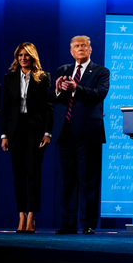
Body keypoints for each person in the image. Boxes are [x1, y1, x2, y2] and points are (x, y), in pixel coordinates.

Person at [50, 35, 110, 235]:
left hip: (88, 132)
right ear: (71, 51)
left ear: (90, 50)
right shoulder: (63, 71)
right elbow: (54, 99)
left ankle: (88, 224)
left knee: (88, 180)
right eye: (77, 46)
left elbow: (99, 94)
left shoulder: (101, 72)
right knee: (68, 181)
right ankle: (68, 223)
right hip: (65, 131)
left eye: (84, 45)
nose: (81, 48)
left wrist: (77, 89)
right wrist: (58, 90)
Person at [1, 42, 53, 233]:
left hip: (35, 130)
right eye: (20, 55)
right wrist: (4, 135)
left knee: (33, 173)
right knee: (18, 175)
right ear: (17, 58)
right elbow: (5, 109)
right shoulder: (10, 78)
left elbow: (48, 108)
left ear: (32, 57)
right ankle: (21, 215)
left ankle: (32, 216)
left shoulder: (43, 78)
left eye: (26, 55)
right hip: (15, 130)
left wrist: (47, 133)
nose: (23, 58)